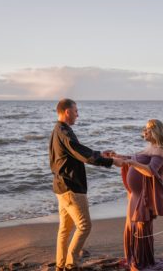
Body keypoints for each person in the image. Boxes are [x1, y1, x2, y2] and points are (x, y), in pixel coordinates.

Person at [48, 98, 121, 270]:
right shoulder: (63, 131)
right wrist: (110, 162)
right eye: (76, 111)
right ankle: (70, 265)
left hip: (61, 187)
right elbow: (81, 153)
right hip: (71, 188)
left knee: (65, 230)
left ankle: (60, 266)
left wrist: (101, 154)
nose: (77, 114)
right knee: (84, 226)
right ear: (67, 112)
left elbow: (76, 152)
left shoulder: (58, 131)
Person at [107, 119, 163, 270]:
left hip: (144, 197)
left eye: (148, 129)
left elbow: (151, 171)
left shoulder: (160, 151)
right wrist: (116, 156)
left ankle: (140, 261)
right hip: (135, 196)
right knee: (131, 227)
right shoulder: (150, 148)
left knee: (140, 229)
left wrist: (131, 163)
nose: (144, 131)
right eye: (145, 128)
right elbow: (132, 158)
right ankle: (132, 258)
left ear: (156, 132)